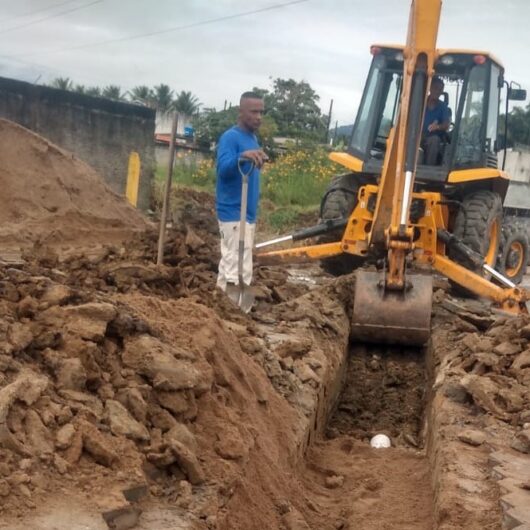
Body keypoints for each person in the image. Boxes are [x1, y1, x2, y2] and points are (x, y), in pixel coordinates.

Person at [215, 91, 268, 293]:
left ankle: (222, 305)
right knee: (237, 265)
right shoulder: (231, 137)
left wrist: (254, 160)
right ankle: (234, 311)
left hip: (247, 212)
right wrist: (241, 156)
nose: (258, 117)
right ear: (241, 111)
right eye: (254, 111)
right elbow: (223, 169)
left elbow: (245, 169)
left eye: (261, 112)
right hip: (234, 210)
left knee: (233, 261)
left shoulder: (252, 138)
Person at [421, 77, 450, 165]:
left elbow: (446, 124)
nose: (438, 91)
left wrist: (437, 126)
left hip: (432, 138)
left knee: (434, 140)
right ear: (430, 88)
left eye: (440, 89)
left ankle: (428, 170)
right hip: (418, 136)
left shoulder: (443, 107)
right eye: (435, 88)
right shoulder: (421, 102)